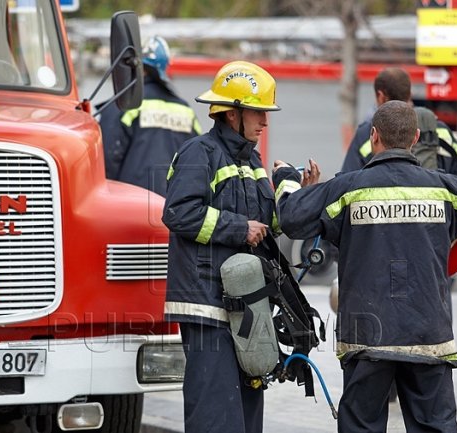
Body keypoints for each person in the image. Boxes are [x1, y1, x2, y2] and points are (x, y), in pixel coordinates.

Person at [273, 100, 457, 432]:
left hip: (367, 336)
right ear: (415, 137)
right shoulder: (446, 189)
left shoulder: (347, 189)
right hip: (427, 333)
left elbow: (291, 218)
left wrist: (287, 180)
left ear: (374, 137)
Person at [163, 60, 318, 433]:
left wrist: (304, 197)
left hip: (245, 307)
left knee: (247, 417)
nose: (265, 122)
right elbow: (178, 213)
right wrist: (237, 228)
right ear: (232, 113)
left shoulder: (253, 162)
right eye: (259, 112)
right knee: (216, 416)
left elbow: (266, 228)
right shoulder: (198, 153)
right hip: (206, 305)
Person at [99, 35, 201, 197]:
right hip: (174, 210)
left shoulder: (125, 104)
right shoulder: (185, 110)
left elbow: (104, 162)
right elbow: (199, 162)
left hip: (130, 206)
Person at [341, 67, 457, 189]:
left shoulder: (368, 134)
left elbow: (345, 188)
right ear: (409, 94)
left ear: (381, 96)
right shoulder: (440, 131)